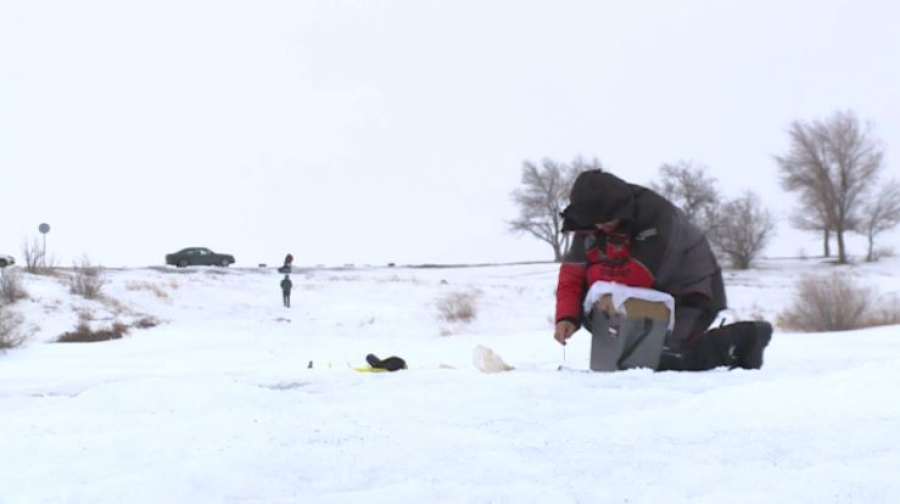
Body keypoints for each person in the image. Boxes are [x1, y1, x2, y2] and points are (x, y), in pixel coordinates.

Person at [554, 170, 772, 371]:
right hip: (644, 301)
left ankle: (746, 338)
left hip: (692, 293)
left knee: (669, 359)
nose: (599, 227)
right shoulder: (591, 223)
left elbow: (638, 276)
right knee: (627, 347)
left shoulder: (657, 215)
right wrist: (567, 317)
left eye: (605, 220)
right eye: (594, 223)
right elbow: (572, 275)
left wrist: (593, 275)